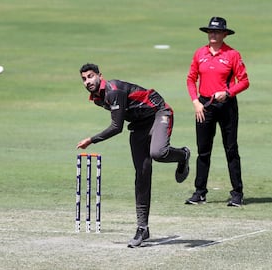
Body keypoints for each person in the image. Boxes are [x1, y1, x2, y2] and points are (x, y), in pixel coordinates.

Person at [76, 63, 190, 247]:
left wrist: (91, 139)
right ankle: (142, 228)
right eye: (83, 79)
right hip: (139, 126)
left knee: (158, 153)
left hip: (158, 112)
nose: (87, 81)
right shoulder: (97, 98)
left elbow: (116, 127)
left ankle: (183, 155)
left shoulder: (113, 90)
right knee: (142, 174)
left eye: (90, 76)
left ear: (99, 76)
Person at [185, 17, 250, 207]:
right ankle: (200, 192)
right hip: (204, 105)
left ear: (224, 34)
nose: (212, 35)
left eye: (216, 32)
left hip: (226, 105)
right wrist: (196, 102)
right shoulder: (200, 53)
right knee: (203, 150)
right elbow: (191, 79)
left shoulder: (232, 54)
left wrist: (228, 92)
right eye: (210, 32)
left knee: (231, 149)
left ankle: (237, 193)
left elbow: (244, 81)